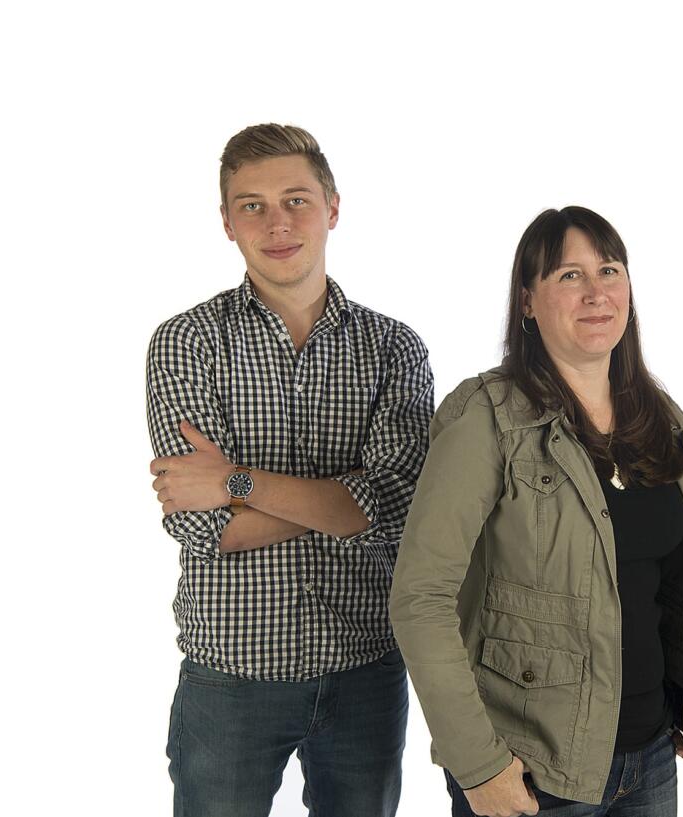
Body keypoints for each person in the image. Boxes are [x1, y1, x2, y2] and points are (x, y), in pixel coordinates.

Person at [389, 206, 683, 816]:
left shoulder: (663, 423)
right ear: (528, 301)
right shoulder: (486, 417)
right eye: (568, 276)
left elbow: (681, 580)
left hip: (651, 759)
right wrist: (478, 765)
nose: (595, 292)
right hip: (533, 773)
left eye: (608, 270)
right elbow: (420, 597)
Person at [146, 123, 433, 817]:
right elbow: (202, 525)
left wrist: (234, 481)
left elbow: (396, 506)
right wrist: (342, 502)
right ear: (226, 223)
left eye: (296, 200)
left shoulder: (394, 348)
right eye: (252, 205)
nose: (277, 223)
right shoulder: (185, 343)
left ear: (333, 207)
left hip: (366, 666)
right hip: (232, 676)